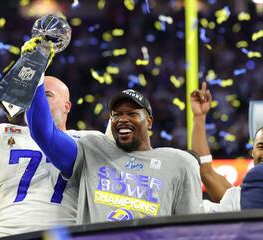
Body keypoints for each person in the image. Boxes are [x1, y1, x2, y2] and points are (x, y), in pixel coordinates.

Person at [25, 77, 203, 224]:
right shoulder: (92, 149)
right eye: (116, 115)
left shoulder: (179, 163)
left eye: (132, 114)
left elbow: (190, 228)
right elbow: (44, 133)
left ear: (149, 121)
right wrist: (36, 71)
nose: (123, 119)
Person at [0, 76, 101, 240]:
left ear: (67, 106)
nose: (37, 100)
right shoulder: (2, 139)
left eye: (46, 95)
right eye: (33, 95)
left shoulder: (88, 142)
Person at [191, 82, 263, 212]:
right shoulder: (236, 198)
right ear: (252, 152)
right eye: (261, 146)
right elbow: (205, 171)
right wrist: (199, 118)